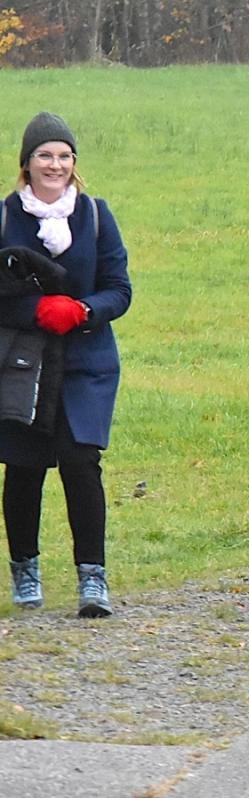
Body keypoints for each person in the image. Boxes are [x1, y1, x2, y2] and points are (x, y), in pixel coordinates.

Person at [0, 112, 132, 617]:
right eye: (44, 155)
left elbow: (119, 290)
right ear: (27, 162)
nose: (54, 165)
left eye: (63, 156)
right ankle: (24, 568)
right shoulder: (6, 217)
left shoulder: (95, 216)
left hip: (87, 360)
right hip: (23, 363)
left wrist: (82, 310)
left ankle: (92, 578)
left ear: (74, 163)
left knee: (81, 462)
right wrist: (35, 311)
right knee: (25, 465)